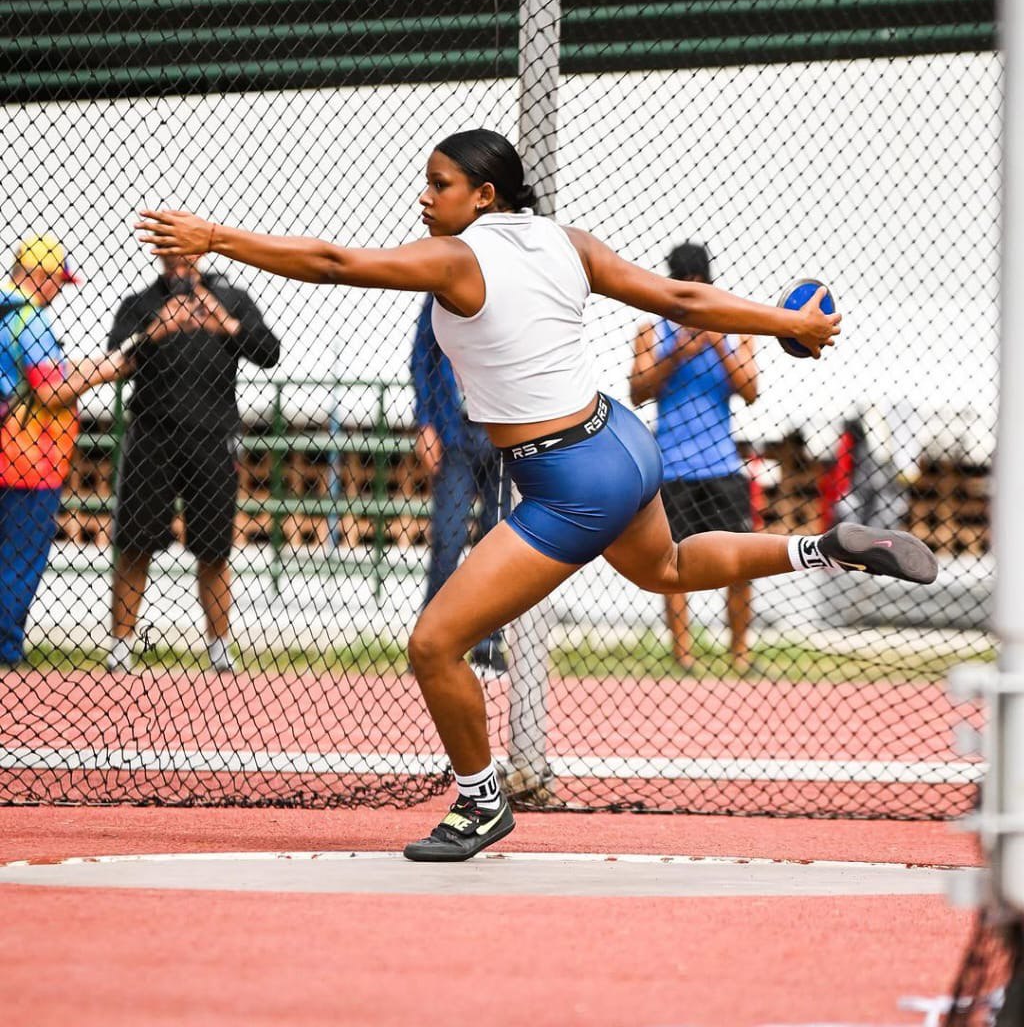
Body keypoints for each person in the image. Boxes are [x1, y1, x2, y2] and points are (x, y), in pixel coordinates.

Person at [136, 128, 939, 862]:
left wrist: (217, 239)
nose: (426, 197)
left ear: (484, 195)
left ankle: (481, 803)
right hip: (620, 438)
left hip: (567, 478)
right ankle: (824, 547)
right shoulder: (567, 242)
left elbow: (337, 263)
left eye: (440, 184)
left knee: (433, 644)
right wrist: (786, 324)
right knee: (665, 568)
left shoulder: (457, 258)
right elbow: (684, 301)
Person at [0, 234, 179, 670]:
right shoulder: (31, 320)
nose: (59, 290)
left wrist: (98, 366)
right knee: (19, 560)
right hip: (26, 460)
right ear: (39, 277)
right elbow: (51, 389)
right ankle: (5, 650)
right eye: (56, 281)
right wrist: (109, 371)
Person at [105, 252, 281, 674]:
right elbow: (115, 356)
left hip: (213, 437)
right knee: (134, 543)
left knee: (215, 549)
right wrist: (156, 330)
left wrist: (227, 325)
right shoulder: (141, 303)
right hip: (151, 434)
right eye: (170, 251)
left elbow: (269, 351)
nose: (179, 260)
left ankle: (220, 647)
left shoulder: (231, 298)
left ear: (200, 253)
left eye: (186, 250)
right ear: (160, 254)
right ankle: (120, 647)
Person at [629, 241, 759, 675]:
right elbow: (638, 390)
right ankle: (683, 655)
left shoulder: (735, 327)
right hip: (671, 468)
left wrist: (717, 342)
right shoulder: (652, 330)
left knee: (742, 563)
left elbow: (751, 391)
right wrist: (679, 353)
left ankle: (740, 654)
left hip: (722, 466)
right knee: (673, 565)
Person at [411, 296, 508, 673]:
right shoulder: (443, 291)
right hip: (456, 433)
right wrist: (425, 422)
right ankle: (431, 642)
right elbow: (422, 356)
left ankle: (488, 643)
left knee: (497, 541)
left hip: (502, 434)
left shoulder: (511, 285)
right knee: (448, 538)